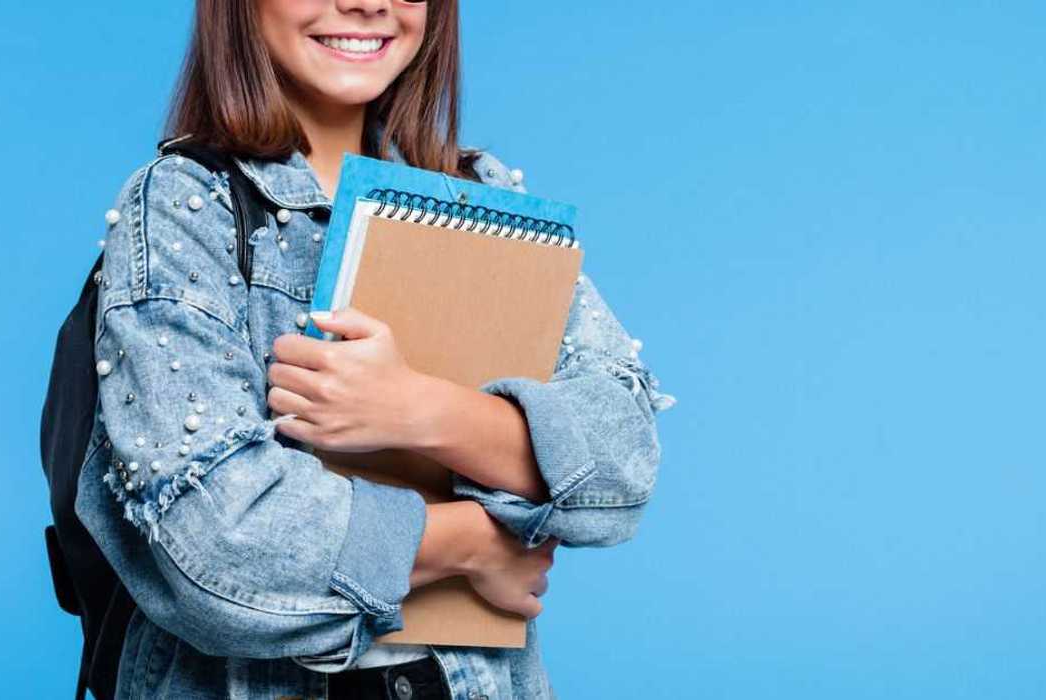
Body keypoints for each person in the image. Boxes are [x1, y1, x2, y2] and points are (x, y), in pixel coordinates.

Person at [79, 1, 675, 697]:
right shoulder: (185, 204)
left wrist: (420, 410)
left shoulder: (479, 198)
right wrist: (471, 544)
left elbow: (623, 465)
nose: (366, 2)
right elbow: (217, 550)